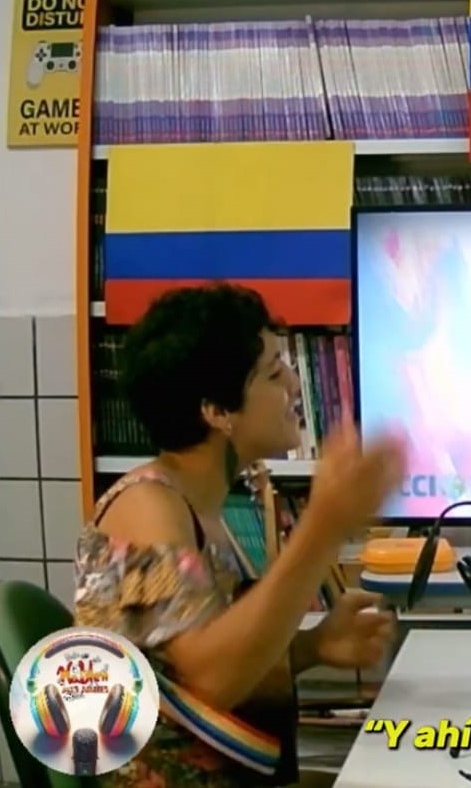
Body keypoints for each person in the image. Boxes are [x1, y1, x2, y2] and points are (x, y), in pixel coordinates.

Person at [74, 283, 408, 787]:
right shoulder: (146, 508)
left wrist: (314, 647)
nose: (294, 384)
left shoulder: (203, 507)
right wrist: (324, 525)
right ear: (217, 411)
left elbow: (198, 665)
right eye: (274, 373)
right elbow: (212, 683)